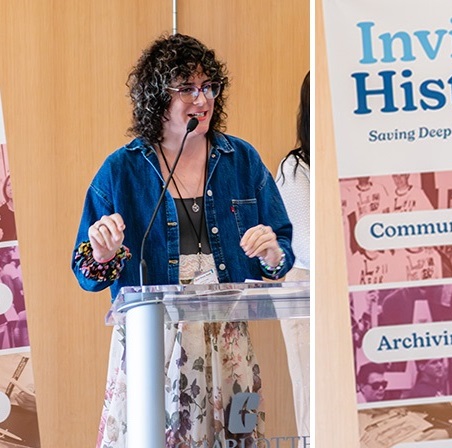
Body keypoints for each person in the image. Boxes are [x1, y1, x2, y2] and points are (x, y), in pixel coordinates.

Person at [70, 34, 294, 448]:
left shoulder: (241, 160)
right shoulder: (121, 171)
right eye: (187, 88)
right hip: (152, 344)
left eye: (209, 86)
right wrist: (102, 253)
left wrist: (273, 253)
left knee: (240, 437)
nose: (202, 98)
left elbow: (279, 255)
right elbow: (87, 273)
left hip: (230, 344)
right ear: (158, 97)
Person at [275, 71, 311, 445]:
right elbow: (309, 244)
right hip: (307, 293)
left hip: (353, 294)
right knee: (313, 400)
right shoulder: (295, 168)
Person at [0, 175, 16, 242]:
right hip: (8, 248)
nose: (11, 188)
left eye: (14, 184)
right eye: (8, 185)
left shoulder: (28, 208)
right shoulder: (1, 210)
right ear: (5, 188)